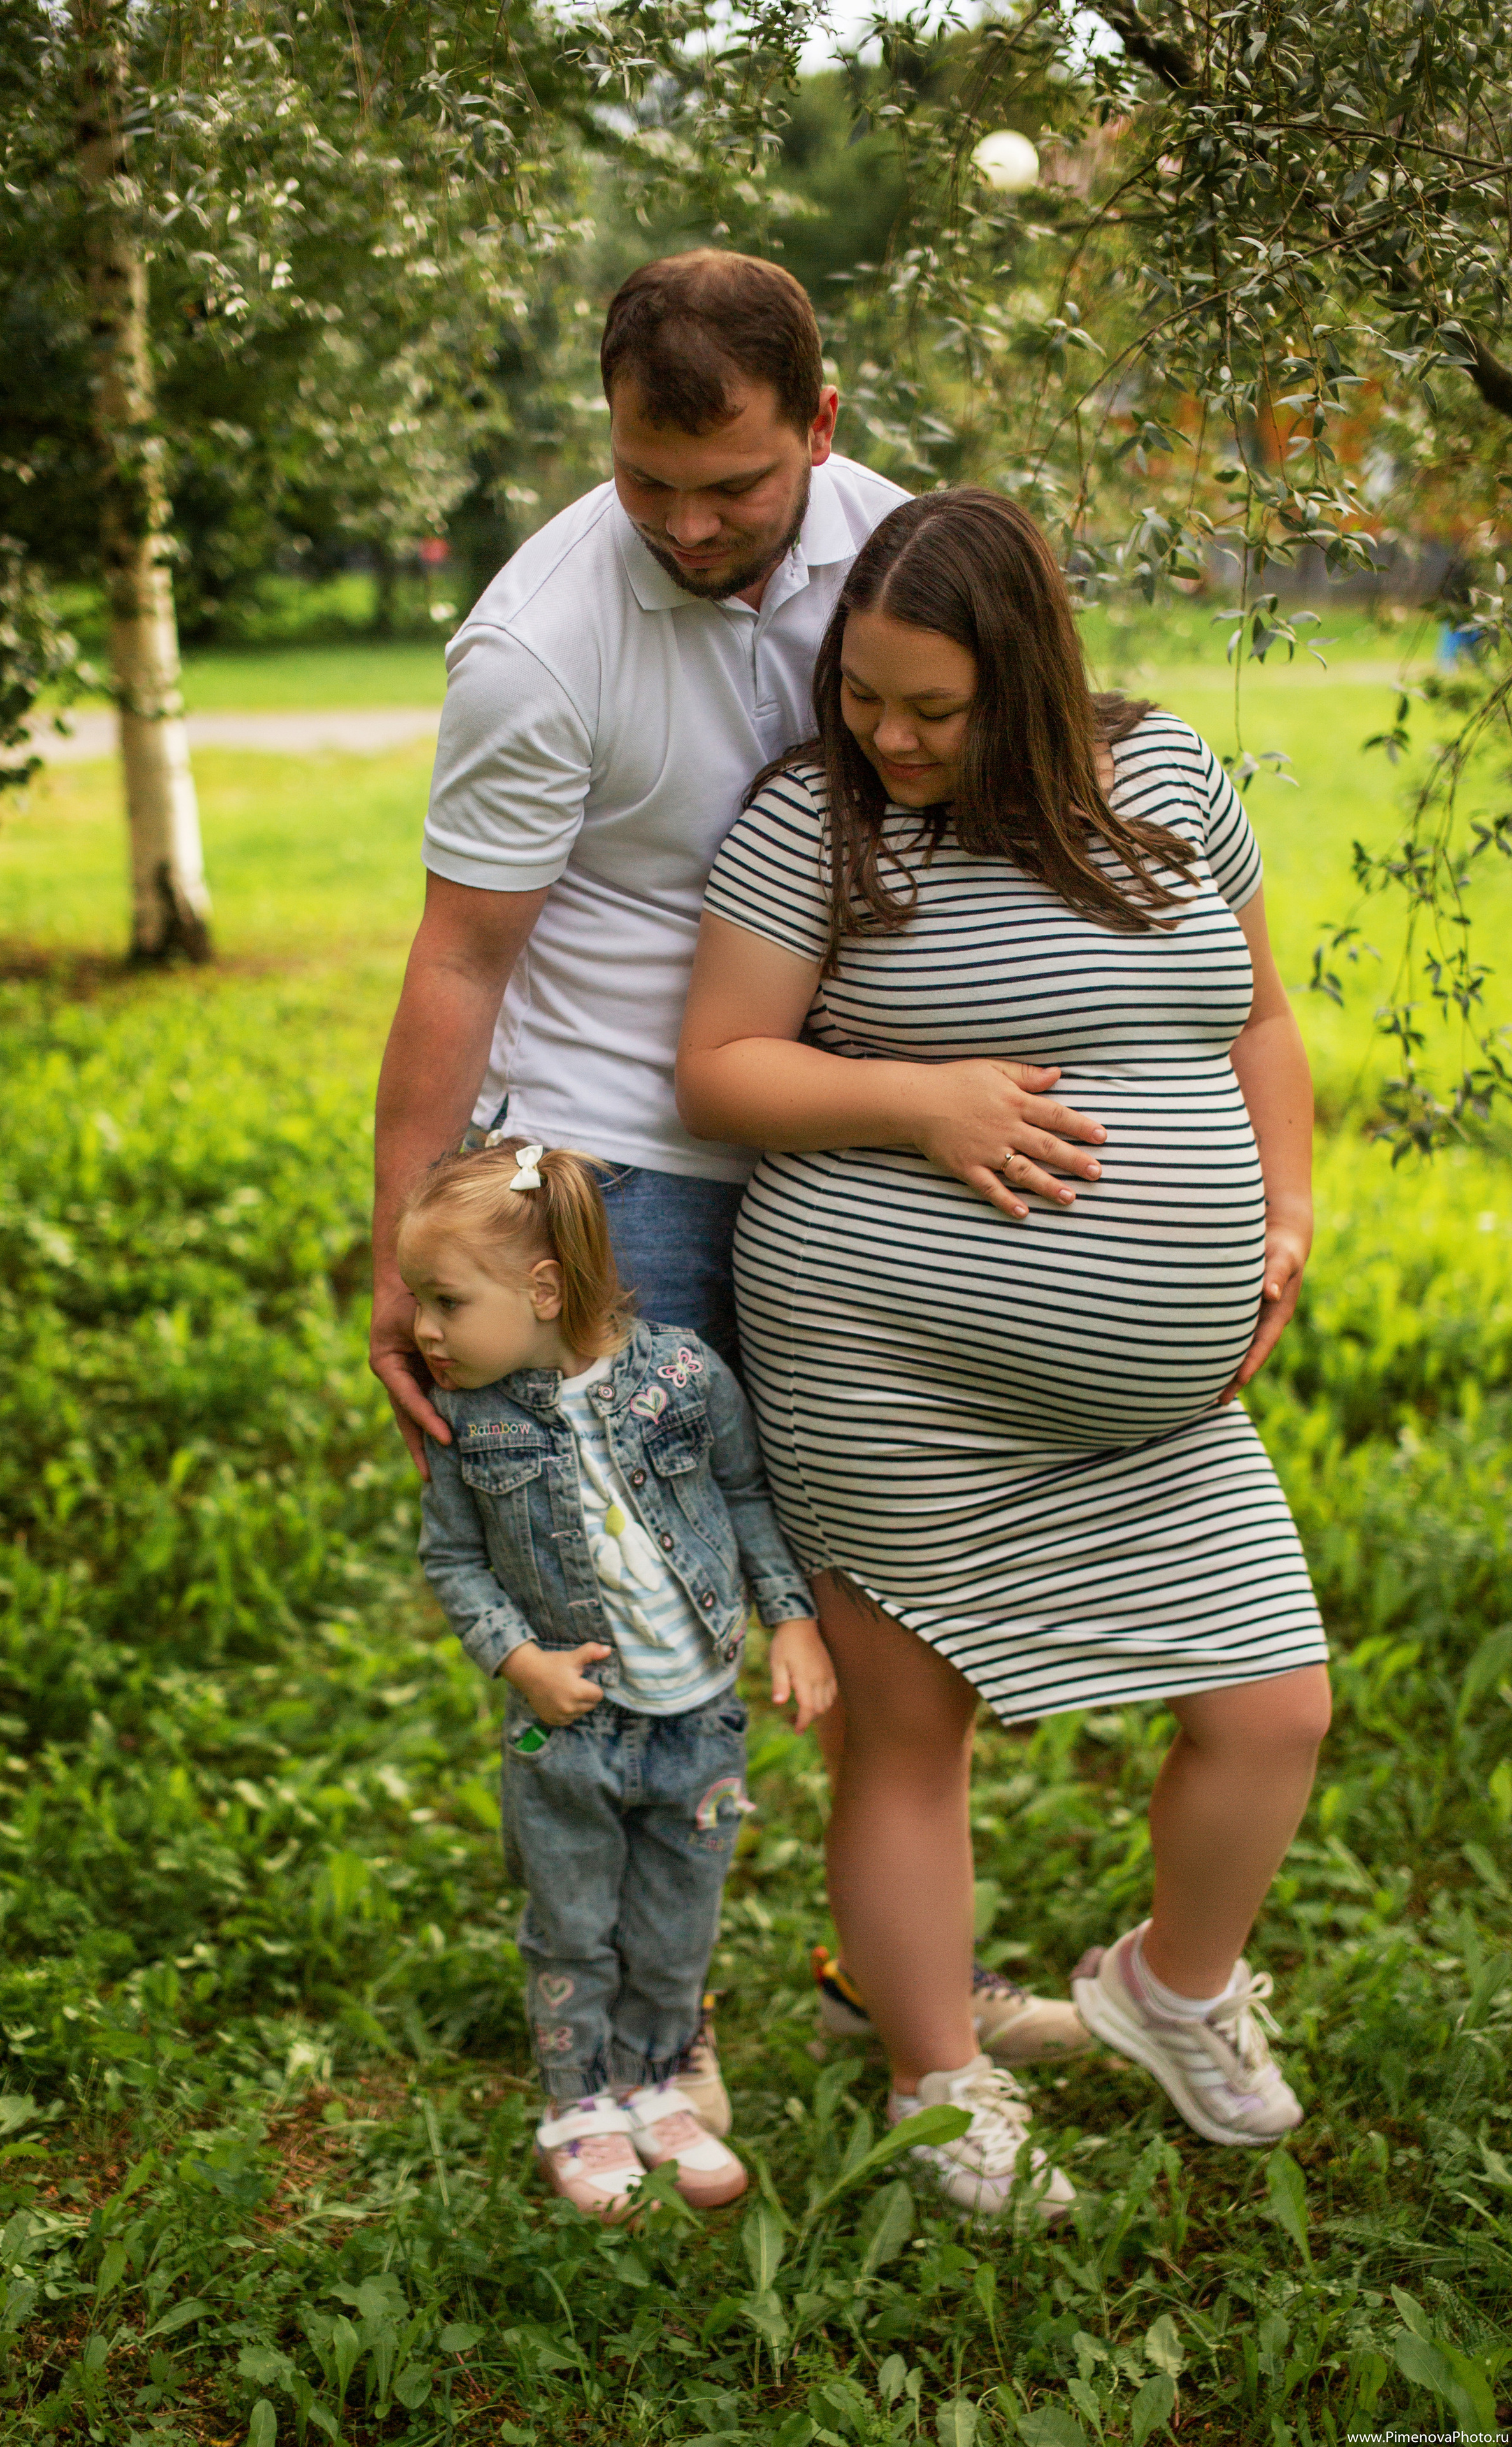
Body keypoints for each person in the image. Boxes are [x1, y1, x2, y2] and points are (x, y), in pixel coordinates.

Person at [371, 247, 1090, 2065]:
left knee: (877, 1581)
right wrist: (403, 1238)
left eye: (735, 488)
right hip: (625, 1169)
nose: (690, 528)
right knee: (628, 1598)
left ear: (824, 428)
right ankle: (635, 2024)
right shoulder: (541, 647)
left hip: (854, 1134)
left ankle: (894, 1970)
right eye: (647, 483)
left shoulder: (906, 556)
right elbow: (460, 954)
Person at [677, 488, 1332, 2221]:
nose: (887, 734)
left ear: (1029, 681)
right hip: (886, 1368)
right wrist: (921, 1097)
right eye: (864, 695)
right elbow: (723, 1065)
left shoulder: (1169, 780)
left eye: (932, 708)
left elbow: (1255, 1016)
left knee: (1275, 1706)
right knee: (910, 1735)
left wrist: (1282, 1210)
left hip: (1155, 1417)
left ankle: (1174, 1991)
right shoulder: (816, 820)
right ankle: (933, 2080)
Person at [400, 1137, 837, 2218]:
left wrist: (791, 1621)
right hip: (572, 1733)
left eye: (444, 1300)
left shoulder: (686, 1374)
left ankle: (652, 2083)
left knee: (677, 1922)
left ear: (543, 1289)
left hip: (698, 1721)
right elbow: (453, 1559)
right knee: (573, 1920)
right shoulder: (472, 1420)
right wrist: (518, 1660)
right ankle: (576, 2106)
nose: (420, 1329)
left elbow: (743, 1497)